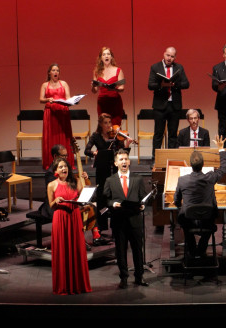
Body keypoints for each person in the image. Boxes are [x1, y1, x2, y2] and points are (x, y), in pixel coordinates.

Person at [174, 135, 226, 258]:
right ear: (203, 164)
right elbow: (224, 168)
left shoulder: (182, 180)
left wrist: (179, 206)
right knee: (209, 225)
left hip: (189, 220)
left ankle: (192, 252)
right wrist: (221, 149)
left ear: (190, 164)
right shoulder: (210, 177)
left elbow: (176, 200)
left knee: (185, 225)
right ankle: (202, 249)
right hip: (207, 219)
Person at [104, 149, 148, 288]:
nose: (124, 161)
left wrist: (143, 205)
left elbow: (144, 197)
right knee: (121, 250)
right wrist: (112, 204)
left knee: (137, 250)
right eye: (121, 159)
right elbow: (105, 199)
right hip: (119, 221)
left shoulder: (138, 178)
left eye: (126, 159)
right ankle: (123, 278)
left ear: (129, 161)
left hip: (135, 220)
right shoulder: (110, 180)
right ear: (116, 163)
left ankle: (139, 277)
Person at [47, 158, 92, 295]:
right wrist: (56, 200)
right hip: (60, 219)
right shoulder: (51, 185)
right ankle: (64, 286)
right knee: (62, 250)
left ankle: (78, 285)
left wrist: (86, 180)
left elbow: (84, 196)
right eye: (60, 167)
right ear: (55, 171)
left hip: (74, 217)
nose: (63, 169)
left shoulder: (75, 181)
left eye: (65, 166)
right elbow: (51, 205)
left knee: (77, 249)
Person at [148, 46, 190, 159]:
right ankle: (155, 159)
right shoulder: (155, 67)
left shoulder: (179, 67)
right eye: (168, 55)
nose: (169, 58)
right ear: (164, 54)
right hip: (160, 105)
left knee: (172, 134)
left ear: (175, 57)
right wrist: (162, 85)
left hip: (174, 106)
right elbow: (150, 85)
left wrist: (175, 85)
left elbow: (186, 84)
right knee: (158, 134)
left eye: (172, 56)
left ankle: (171, 159)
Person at [40, 63, 74, 170]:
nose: (56, 72)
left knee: (64, 136)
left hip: (62, 112)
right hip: (50, 113)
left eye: (57, 70)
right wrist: (47, 99)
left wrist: (72, 101)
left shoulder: (64, 83)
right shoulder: (45, 85)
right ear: (49, 72)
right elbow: (41, 99)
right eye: (53, 70)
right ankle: (50, 163)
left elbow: (68, 98)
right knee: (51, 136)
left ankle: (66, 162)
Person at [91, 47, 125, 126]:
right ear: (101, 58)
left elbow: (122, 88)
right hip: (102, 103)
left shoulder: (118, 70)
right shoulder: (96, 72)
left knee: (115, 127)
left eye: (108, 54)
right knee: (103, 128)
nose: (106, 56)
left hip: (115, 102)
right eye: (104, 54)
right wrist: (93, 86)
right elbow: (94, 91)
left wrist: (114, 89)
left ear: (111, 57)